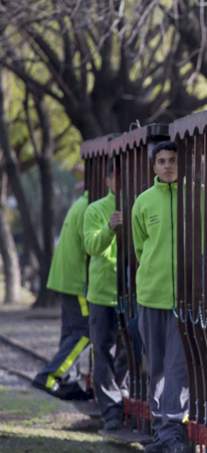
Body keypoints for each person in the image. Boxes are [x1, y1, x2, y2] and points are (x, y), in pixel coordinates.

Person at [131, 140, 190, 453]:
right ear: (153, 167)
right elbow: (141, 248)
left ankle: (173, 432)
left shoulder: (200, 197)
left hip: (186, 300)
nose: (167, 165)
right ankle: (162, 430)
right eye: (162, 161)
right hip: (151, 296)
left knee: (177, 367)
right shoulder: (143, 202)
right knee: (155, 367)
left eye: (173, 160)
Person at [33, 190, 93, 401]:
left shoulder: (81, 203)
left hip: (64, 279)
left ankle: (67, 381)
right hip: (76, 282)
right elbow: (91, 246)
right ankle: (49, 375)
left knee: (71, 331)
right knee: (86, 330)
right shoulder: (90, 208)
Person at [82, 162, 126, 430]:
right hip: (102, 292)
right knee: (102, 349)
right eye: (116, 177)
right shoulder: (95, 209)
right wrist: (109, 228)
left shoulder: (139, 204)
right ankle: (111, 411)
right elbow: (91, 246)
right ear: (107, 180)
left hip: (134, 290)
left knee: (136, 346)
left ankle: (117, 392)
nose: (120, 182)